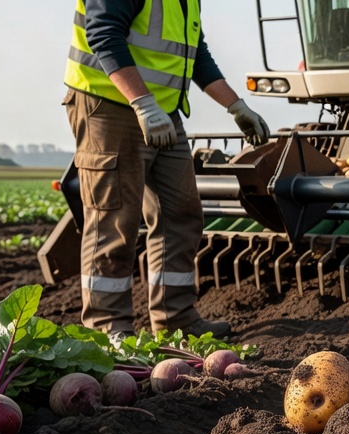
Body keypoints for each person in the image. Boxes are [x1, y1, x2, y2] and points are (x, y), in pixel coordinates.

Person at [65, 0, 271, 338]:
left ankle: (175, 319)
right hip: (111, 105)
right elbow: (104, 35)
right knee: (114, 220)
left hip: (162, 110)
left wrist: (235, 105)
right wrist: (144, 104)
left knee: (181, 212)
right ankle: (107, 329)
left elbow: (195, 55)